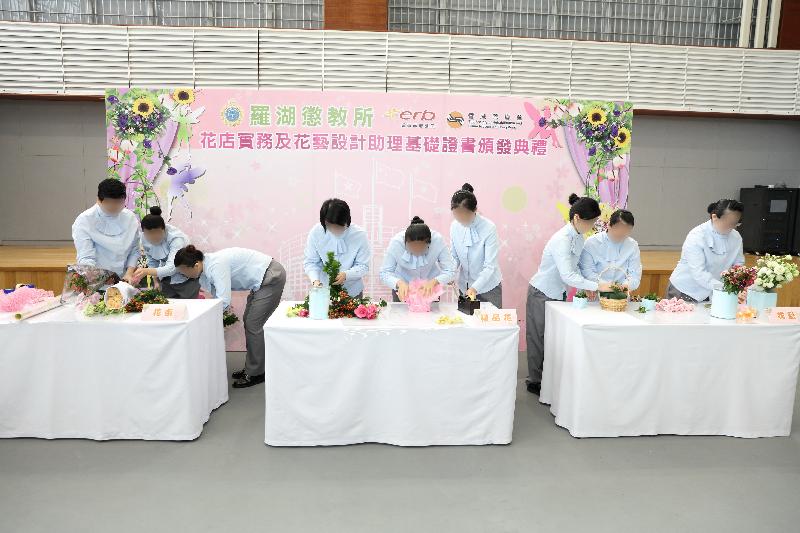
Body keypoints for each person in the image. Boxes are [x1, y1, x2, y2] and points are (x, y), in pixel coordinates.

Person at [526, 194, 615, 396]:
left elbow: (576, 269)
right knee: (538, 338)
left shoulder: (579, 237)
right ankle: (535, 381)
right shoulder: (562, 239)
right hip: (542, 292)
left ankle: (548, 379)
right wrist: (598, 286)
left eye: (594, 222)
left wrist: (587, 287)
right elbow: (568, 275)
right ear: (577, 218)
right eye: (590, 222)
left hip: (559, 293)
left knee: (554, 338)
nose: (592, 226)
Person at [174, 245, 286, 389]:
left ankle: (256, 372)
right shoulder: (204, 271)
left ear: (195, 265)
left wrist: (204, 319)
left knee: (253, 324)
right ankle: (253, 368)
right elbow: (216, 300)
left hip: (271, 276)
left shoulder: (216, 265)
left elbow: (223, 301)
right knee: (249, 321)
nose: (184, 275)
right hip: (261, 280)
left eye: (184, 271)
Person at [666, 199, 745, 302]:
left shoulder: (736, 237)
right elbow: (699, 273)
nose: (731, 227)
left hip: (714, 291)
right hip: (686, 291)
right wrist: (725, 288)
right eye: (728, 223)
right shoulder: (697, 236)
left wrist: (739, 283)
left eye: (735, 223)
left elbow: (738, 264)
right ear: (714, 217)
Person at [71, 178, 140, 282]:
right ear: (98, 200)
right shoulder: (85, 220)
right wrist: (94, 278)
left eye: (118, 203)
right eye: (109, 203)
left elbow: (134, 250)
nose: (114, 207)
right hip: (97, 279)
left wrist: (129, 274)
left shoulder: (130, 218)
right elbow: (86, 258)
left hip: (125, 278)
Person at [303, 198, 371, 298]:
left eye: (339, 227)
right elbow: (311, 262)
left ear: (347, 220)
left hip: (352, 292)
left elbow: (363, 266)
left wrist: (346, 275)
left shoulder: (359, 235)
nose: (334, 230)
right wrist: (315, 280)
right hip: (324, 291)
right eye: (330, 226)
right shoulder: (316, 233)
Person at [449, 183, 503, 308]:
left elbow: (490, 266)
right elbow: (454, 256)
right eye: (457, 215)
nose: (461, 220)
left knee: (491, 325)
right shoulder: (454, 226)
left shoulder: (489, 228)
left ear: (475, 210)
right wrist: (450, 272)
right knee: (467, 324)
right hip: (465, 287)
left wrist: (475, 288)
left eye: (465, 215)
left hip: (489, 288)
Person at [380, 216, 457, 302]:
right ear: (405, 242)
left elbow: (450, 270)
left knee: (432, 315)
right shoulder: (396, 242)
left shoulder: (437, 240)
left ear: (429, 244)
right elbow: (385, 273)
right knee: (401, 314)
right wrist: (399, 283)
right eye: (412, 248)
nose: (416, 252)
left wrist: (434, 282)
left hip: (429, 290)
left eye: (421, 249)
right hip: (403, 290)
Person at [130, 206, 200, 298]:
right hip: (166, 279)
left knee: (189, 307)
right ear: (144, 232)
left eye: (157, 232)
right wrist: (156, 281)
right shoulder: (144, 238)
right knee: (166, 306)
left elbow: (172, 268)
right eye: (148, 234)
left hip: (186, 278)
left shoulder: (176, 239)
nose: (153, 237)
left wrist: (146, 271)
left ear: (164, 229)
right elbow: (152, 261)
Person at [579, 209, 642, 292]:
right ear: (609, 225)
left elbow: (635, 274)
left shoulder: (632, 245)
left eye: (626, 231)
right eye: (619, 229)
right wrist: (609, 287)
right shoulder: (592, 243)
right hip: (594, 293)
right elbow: (587, 272)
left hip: (620, 295)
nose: (622, 234)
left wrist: (625, 286)